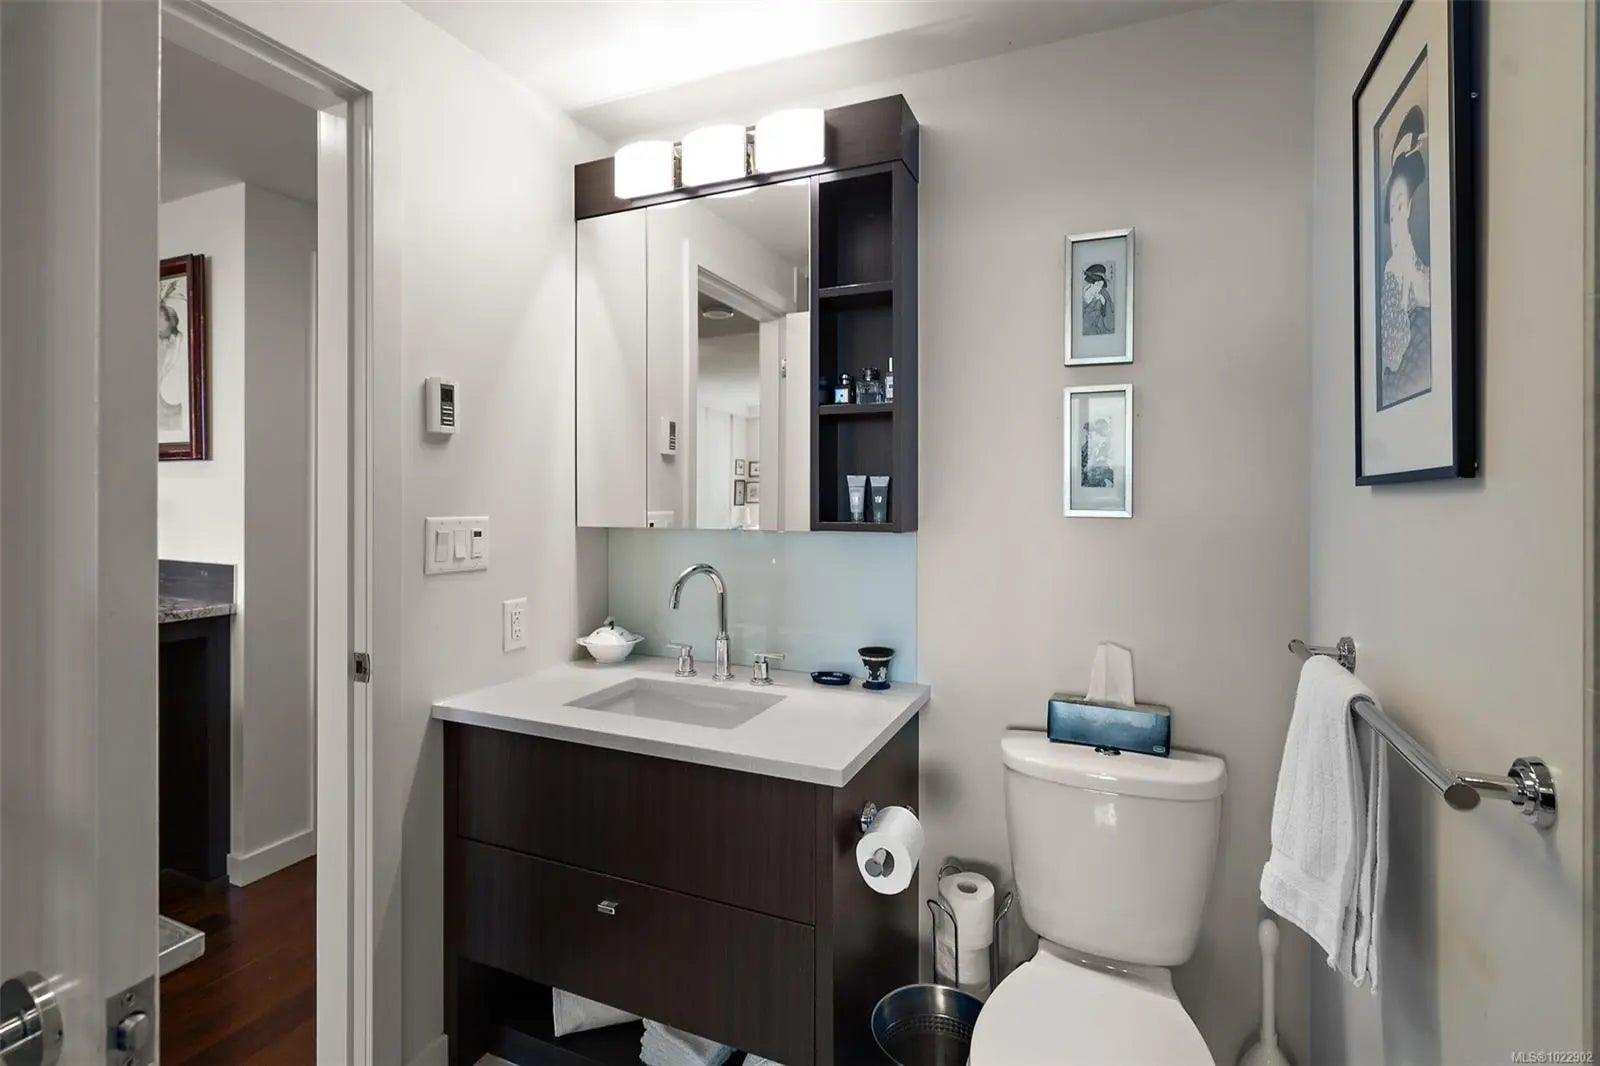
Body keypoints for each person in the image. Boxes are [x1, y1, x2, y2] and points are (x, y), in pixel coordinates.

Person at [1379, 105, 1431, 405]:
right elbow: (1392, 355)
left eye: (1401, 205)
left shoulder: (1419, 266)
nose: (1397, 217)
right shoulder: (1392, 271)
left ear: (1410, 207)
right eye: (1392, 210)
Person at [1082, 263, 1114, 336]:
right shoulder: (1085, 293)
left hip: (1103, 330)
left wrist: (1104, 303)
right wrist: (1086, 302)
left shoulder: (1104, 294)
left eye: (1101, 284)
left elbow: (1110, 320)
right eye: (1097, 283)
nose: (1099, 287)